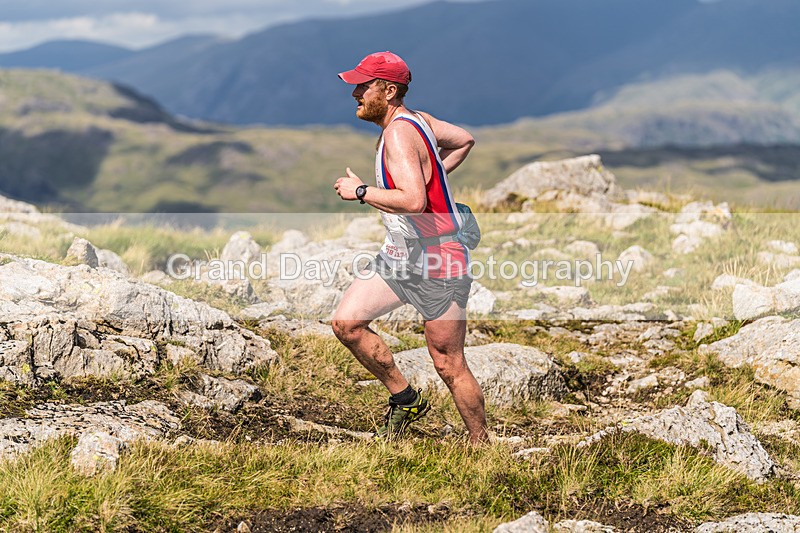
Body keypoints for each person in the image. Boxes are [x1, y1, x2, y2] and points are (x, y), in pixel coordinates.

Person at [332, 51, 489, 445]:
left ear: (388, 90)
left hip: (439, 260)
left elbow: (414, 201)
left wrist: (362, 191)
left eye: (362, 85)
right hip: (402, 256)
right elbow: (464, 140)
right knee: (347, 324)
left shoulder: (400, 133)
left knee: (448, 363)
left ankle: (481, 444)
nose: (355, 93)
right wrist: (432, 173)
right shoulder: (420, 121)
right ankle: (405, 398)